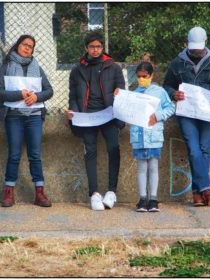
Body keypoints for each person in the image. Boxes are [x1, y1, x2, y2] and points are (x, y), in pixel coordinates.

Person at [163, 26, 210, 206]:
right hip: (187, 113)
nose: (196, 51)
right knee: (193, 149)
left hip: (209, 112)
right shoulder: (177, 62)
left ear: (206, 42)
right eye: (193, 47)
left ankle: (197, 193)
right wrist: (173, 94)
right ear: (187, 44)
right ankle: (205, 189)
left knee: (203, 149)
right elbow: (167, 85)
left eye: (199, 47)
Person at [66, 32, 125, 211]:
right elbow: (73, 96)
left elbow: (121, 90)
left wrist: (118, 95)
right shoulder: (77, 70)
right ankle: (94, 194)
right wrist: (73, 113)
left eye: (98, 46)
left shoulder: (113, 67)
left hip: (109, 115)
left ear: (102, 48)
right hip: (87, 116)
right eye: (92, 47)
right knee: (90, 152)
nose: (95, 50)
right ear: (86, 48)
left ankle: (111, 192)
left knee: (114, 149)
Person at [0, 34, 53, 207]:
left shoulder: (37, 67)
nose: (27, 48)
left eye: (31, 46)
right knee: (14, 154)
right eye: (24, 44)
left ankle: (40, 193)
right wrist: (19, 94)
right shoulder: (6, 65)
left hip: (34, 116)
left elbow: (49, 91)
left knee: (35, 155)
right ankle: (8, 193)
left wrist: (36, 96)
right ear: (17, 46)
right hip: (13, 116)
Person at [115, 61, 175, 212]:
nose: (142, 79)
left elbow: (171, 108)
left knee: (153, 166)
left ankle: (153, 199)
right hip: (139, 136)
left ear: (151, 75)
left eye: (145, 76)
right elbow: (123, 110)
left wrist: (158, 115)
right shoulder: (133, 94)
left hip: (153, 135)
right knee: (142, 167)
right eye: (139, 76)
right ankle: (142, 198)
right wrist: (118, 97)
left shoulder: (160, 92)